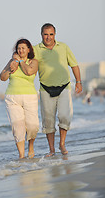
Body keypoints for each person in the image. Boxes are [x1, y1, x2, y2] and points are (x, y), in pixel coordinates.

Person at [33, 23, 82, 156]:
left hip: (64, 87)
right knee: (48, 121)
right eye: (45, 34)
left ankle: (62, 144)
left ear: (55, 34)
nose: (48, 37)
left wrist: (78, 82)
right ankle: (52, 149)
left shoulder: (63, 47)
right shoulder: (36, 49)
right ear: (41, 34)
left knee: (65, 116)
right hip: (45, 89)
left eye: (51, 34)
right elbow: (29, 67)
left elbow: (74, 64)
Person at [0, 38, 39, 159]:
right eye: (19, 48)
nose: (21, 50)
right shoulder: (12, 61)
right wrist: (11, 65)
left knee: (33, 126)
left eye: (23, 48)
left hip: (30, 97)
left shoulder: (34, 61)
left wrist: (20, 61)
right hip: (12, 97)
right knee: (18, 127)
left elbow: (29, 72)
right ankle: (21, 156)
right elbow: (2, 77)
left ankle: (31, 147)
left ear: (28, 49)